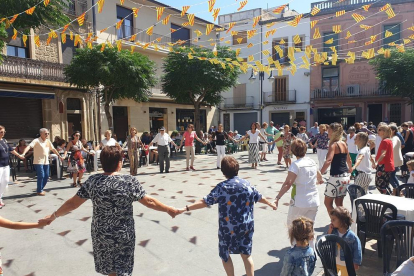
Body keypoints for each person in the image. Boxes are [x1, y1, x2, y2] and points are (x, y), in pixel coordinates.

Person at [39, 146, 179, 276]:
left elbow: (72, 204)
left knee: (110, 269)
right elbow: (149, 201)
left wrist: (53, 216)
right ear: (119, 162)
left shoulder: (93, 181)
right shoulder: (129, 181)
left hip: (101, 233)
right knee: (122, 269)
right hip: (123, 233)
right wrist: (168, 209)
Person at [178, 156, 276, 276]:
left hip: (228, 228)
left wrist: (185, 208)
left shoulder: (222, 187)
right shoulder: (247, 184)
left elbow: (205, 202)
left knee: (225, 255)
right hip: (246, 225)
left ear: (223, 172)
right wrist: (271, 204)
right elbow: (260, 197)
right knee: (246, 255)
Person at [274, 140, 323, 249]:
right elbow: (319, 176)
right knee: (309, 228)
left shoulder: (295, 165)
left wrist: (277, 198)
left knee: (293, 227)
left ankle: (296, 251)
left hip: (299, 201)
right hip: (314, 201)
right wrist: (319, 180)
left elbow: (288, 183)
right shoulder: (311, 161)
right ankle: (312, 252)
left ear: (293, 151)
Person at [320, 123, 352, 214]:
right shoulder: (344, 144)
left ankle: (336, 222)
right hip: (345, 176)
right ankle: (343, 223)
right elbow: (348, 159)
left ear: (334, 132)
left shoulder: (333, 145)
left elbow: (329, 160)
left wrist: (320, 173)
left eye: (329, 131)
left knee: (327, 202)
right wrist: (350, 168)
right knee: (339, 204)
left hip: (335, 176)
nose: (327, 132)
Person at [21, 128, 63, 196]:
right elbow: (29, 147)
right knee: (41, 175)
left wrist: (59, 155)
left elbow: (53, 149)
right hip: (38, 161)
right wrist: (23, 154)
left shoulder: (48, 141)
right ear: (41, 134)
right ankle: (39, 190)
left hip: (46, 161)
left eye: (48, 133)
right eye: (45, 133)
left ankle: (40, 188)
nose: (47, 135)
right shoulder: (36, 140)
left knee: (46, 176)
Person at [327, 207, 362, 275]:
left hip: (346, 263)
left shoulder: (352, 236)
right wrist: (330, 230)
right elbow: (327, 239)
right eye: (331, 219)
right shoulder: (333, 232)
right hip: (334, 262)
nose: (331, 221)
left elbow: (357, 249)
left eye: (333, 219)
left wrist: (356, 262)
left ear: (342, 220)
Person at [0, 126, 25, 207]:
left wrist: (19, 155)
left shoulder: (4, 140)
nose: (3, 133)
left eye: (4, 132)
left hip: (6, 164)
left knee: (5, 181)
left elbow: (11, 149)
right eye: (1, 132)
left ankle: (0, 197)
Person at [374, 125, 395, 194]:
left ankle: (387, 198)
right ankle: (389, 197)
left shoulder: (385, 141)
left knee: (379, 185)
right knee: (385, 184)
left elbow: (383, 154)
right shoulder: (388, 140)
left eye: (380, 130)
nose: (378, 131)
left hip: (383, 165)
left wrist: (376, 162)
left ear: (384, 131)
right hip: (388, 165)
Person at [390, 125, 403, 190]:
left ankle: (397, 189)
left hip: (395, 160)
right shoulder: (394, 137)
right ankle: (398, 189)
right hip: (395, 160)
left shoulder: (394, 138)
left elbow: (392, 146)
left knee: (390, 176)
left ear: (393, 131)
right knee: (392, 176)